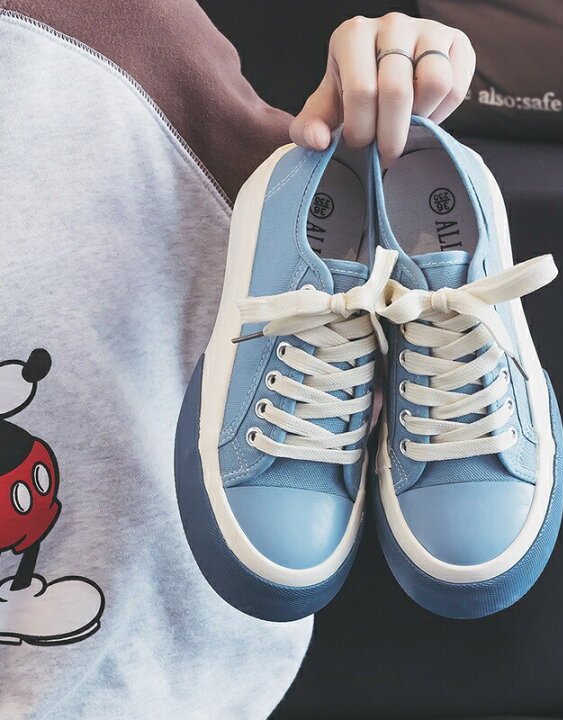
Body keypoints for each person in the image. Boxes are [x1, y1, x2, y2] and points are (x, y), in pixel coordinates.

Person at [0, 2, 474, 718]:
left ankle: (443, 271)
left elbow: (311, 207)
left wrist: (378, 109)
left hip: (134, 689)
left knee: (328, 213)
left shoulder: (115, 38)